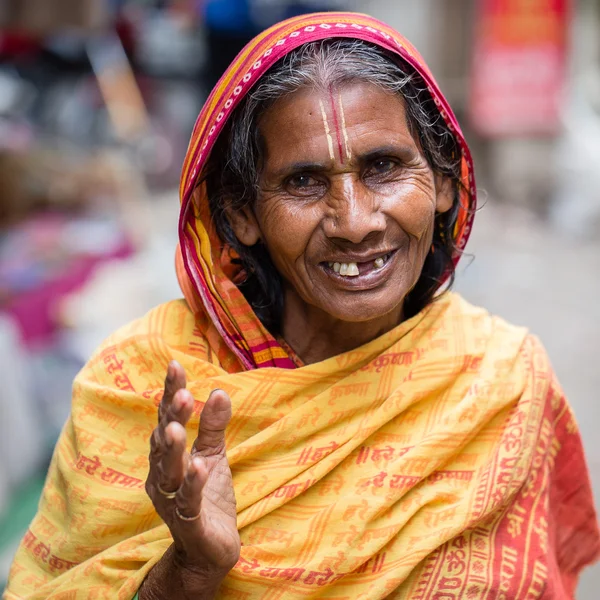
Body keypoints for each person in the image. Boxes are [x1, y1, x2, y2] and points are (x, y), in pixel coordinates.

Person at [5, 12, 600, 600]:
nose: (355, 223)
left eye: (385, 167)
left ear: (445, 180)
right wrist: (186, 574)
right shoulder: (134, 389)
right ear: (241, 212)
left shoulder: (504, 383)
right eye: (303, 183)